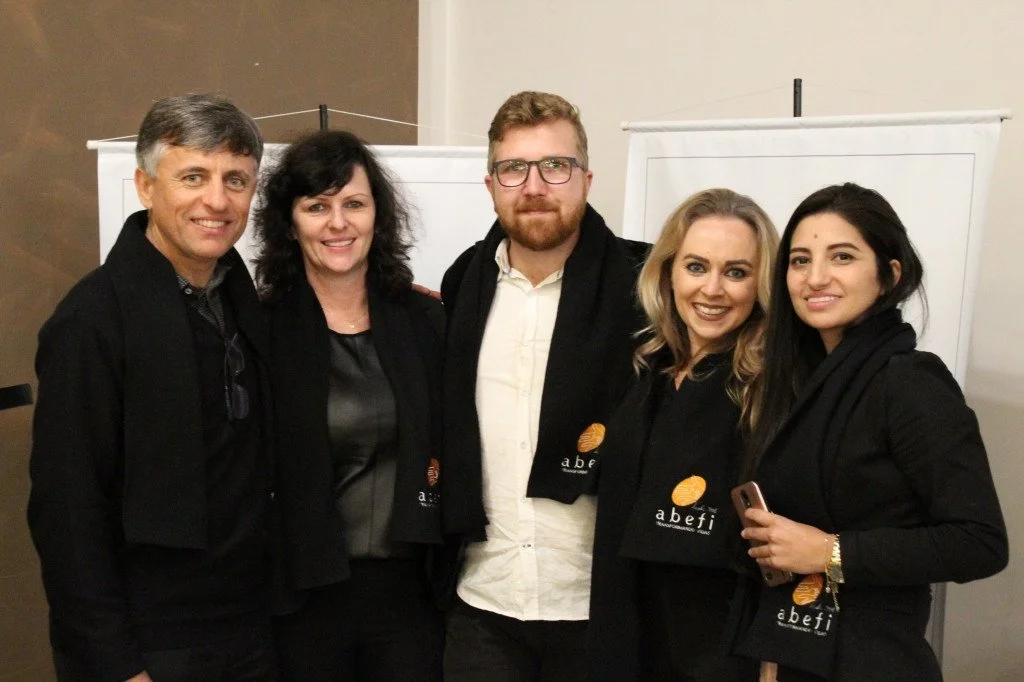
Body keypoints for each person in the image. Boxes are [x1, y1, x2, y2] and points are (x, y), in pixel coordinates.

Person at [28, 94, 276, 681]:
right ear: (145, 186)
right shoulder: (90, 323)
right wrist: (115, 664)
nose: (217, 200)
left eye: (236, 180)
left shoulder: (244, 301)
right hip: (150, 647)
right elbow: (67, 512)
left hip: (253, 632)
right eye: (193, 176)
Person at [728, 182, 1008, 681]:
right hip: (790, 652)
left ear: (890, 275)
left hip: (872, 661)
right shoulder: (796, 384)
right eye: (799, 260)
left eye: (842, 257)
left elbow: (980, 542)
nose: (815, 277)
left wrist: (830, 553)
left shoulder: (910, 382)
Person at [440, 90, 648, 681]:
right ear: (491, 185)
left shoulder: (647, 288)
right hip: (483, 604)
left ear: (586, 179)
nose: (534, 187)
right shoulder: (463, 283)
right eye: (514, 168)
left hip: (600, 608)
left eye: (555, 166)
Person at [254, 129, 445, 681]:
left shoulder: (427, 323)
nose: (338, 223)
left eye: (354, 204)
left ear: (377, 216)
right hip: (301, 605)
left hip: (413, 603)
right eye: (317, 206)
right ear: (290, 222)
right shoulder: (260, 332)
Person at [588, 189, 778, 681]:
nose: (712, 289)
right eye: (696, 267)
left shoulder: (772, 388)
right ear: (668, 271)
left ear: (762, 284)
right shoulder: (647, 368)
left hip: (721, 649)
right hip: (628, 628)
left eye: (736, 272)